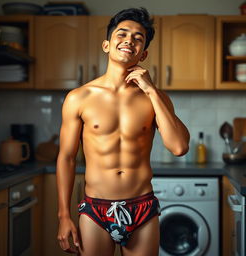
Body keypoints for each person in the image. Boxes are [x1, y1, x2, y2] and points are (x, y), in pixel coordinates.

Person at [57, 7, 190, 256]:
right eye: (122, 34)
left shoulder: (156, 98)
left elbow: (179, 147)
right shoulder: (79, 97)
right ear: (106, 45)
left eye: (138, 38)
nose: (129, 40)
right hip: (95, 209)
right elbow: (66, 157)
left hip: (142, 207)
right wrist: (64, 215)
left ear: (143, 54)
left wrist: (151, 90)